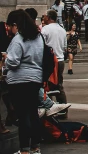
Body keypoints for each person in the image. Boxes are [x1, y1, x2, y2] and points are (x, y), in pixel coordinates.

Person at [3, 9, 44, 153]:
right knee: (33, 114)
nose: (8, 29)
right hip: (35, 79)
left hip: (19, 81)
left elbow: (13, 62)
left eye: (9, 26)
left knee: (23, 116)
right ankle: (35, 147)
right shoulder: (38, 37)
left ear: (15, 25)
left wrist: (5, 59)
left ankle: (24, 149)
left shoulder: (18, 39)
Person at [41, 9, 68, 108]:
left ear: (48, 17)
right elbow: (65, 47)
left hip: (49, 61)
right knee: (59, 85)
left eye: (44, 16)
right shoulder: (62, 29)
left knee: (47, 85)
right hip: (60, 60)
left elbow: (41, 45)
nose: (43, 18)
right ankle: (63, 109)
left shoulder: (45, 29)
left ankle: (50, 108)